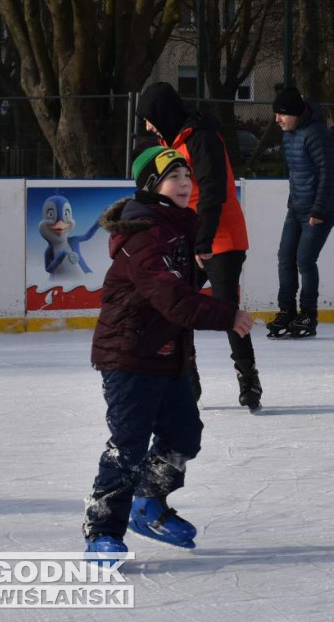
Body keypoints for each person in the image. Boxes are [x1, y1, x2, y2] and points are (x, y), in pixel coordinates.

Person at [84, 146, 255, 554]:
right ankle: (103, 533)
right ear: (151, 186)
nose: (184, 183)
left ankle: (147, 503)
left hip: (167, 353)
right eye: (172, 176)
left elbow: (182, 288)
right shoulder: (144, 234)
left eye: (186, 176)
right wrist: (226, 314)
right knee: (128, 446)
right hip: (129, 355)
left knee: (183, 435)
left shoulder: (179, 225)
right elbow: (172, 297)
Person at [136, 82, 261, 411]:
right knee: (176, 308)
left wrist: (203, 241)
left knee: (225, 309)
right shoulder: (169, 143)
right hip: (191, 237)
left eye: (149, 119)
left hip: (221, 237)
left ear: (163, 113)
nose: (147, 127)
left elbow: (213, 191)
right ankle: (187, 380)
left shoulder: (202, 137)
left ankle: (248, 379)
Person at [266, 87, 334, 338]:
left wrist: (318, 209)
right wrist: (293, 202)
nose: (277, 119)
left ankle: (308, 314)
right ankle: (287, 311)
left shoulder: (316, 134)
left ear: (296, 113)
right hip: (297, 207)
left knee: (304, 260)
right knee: (285, 257)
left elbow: (327, 174)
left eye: (282, 114)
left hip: (321, 208)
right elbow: (297, 174)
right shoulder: (289, 135)